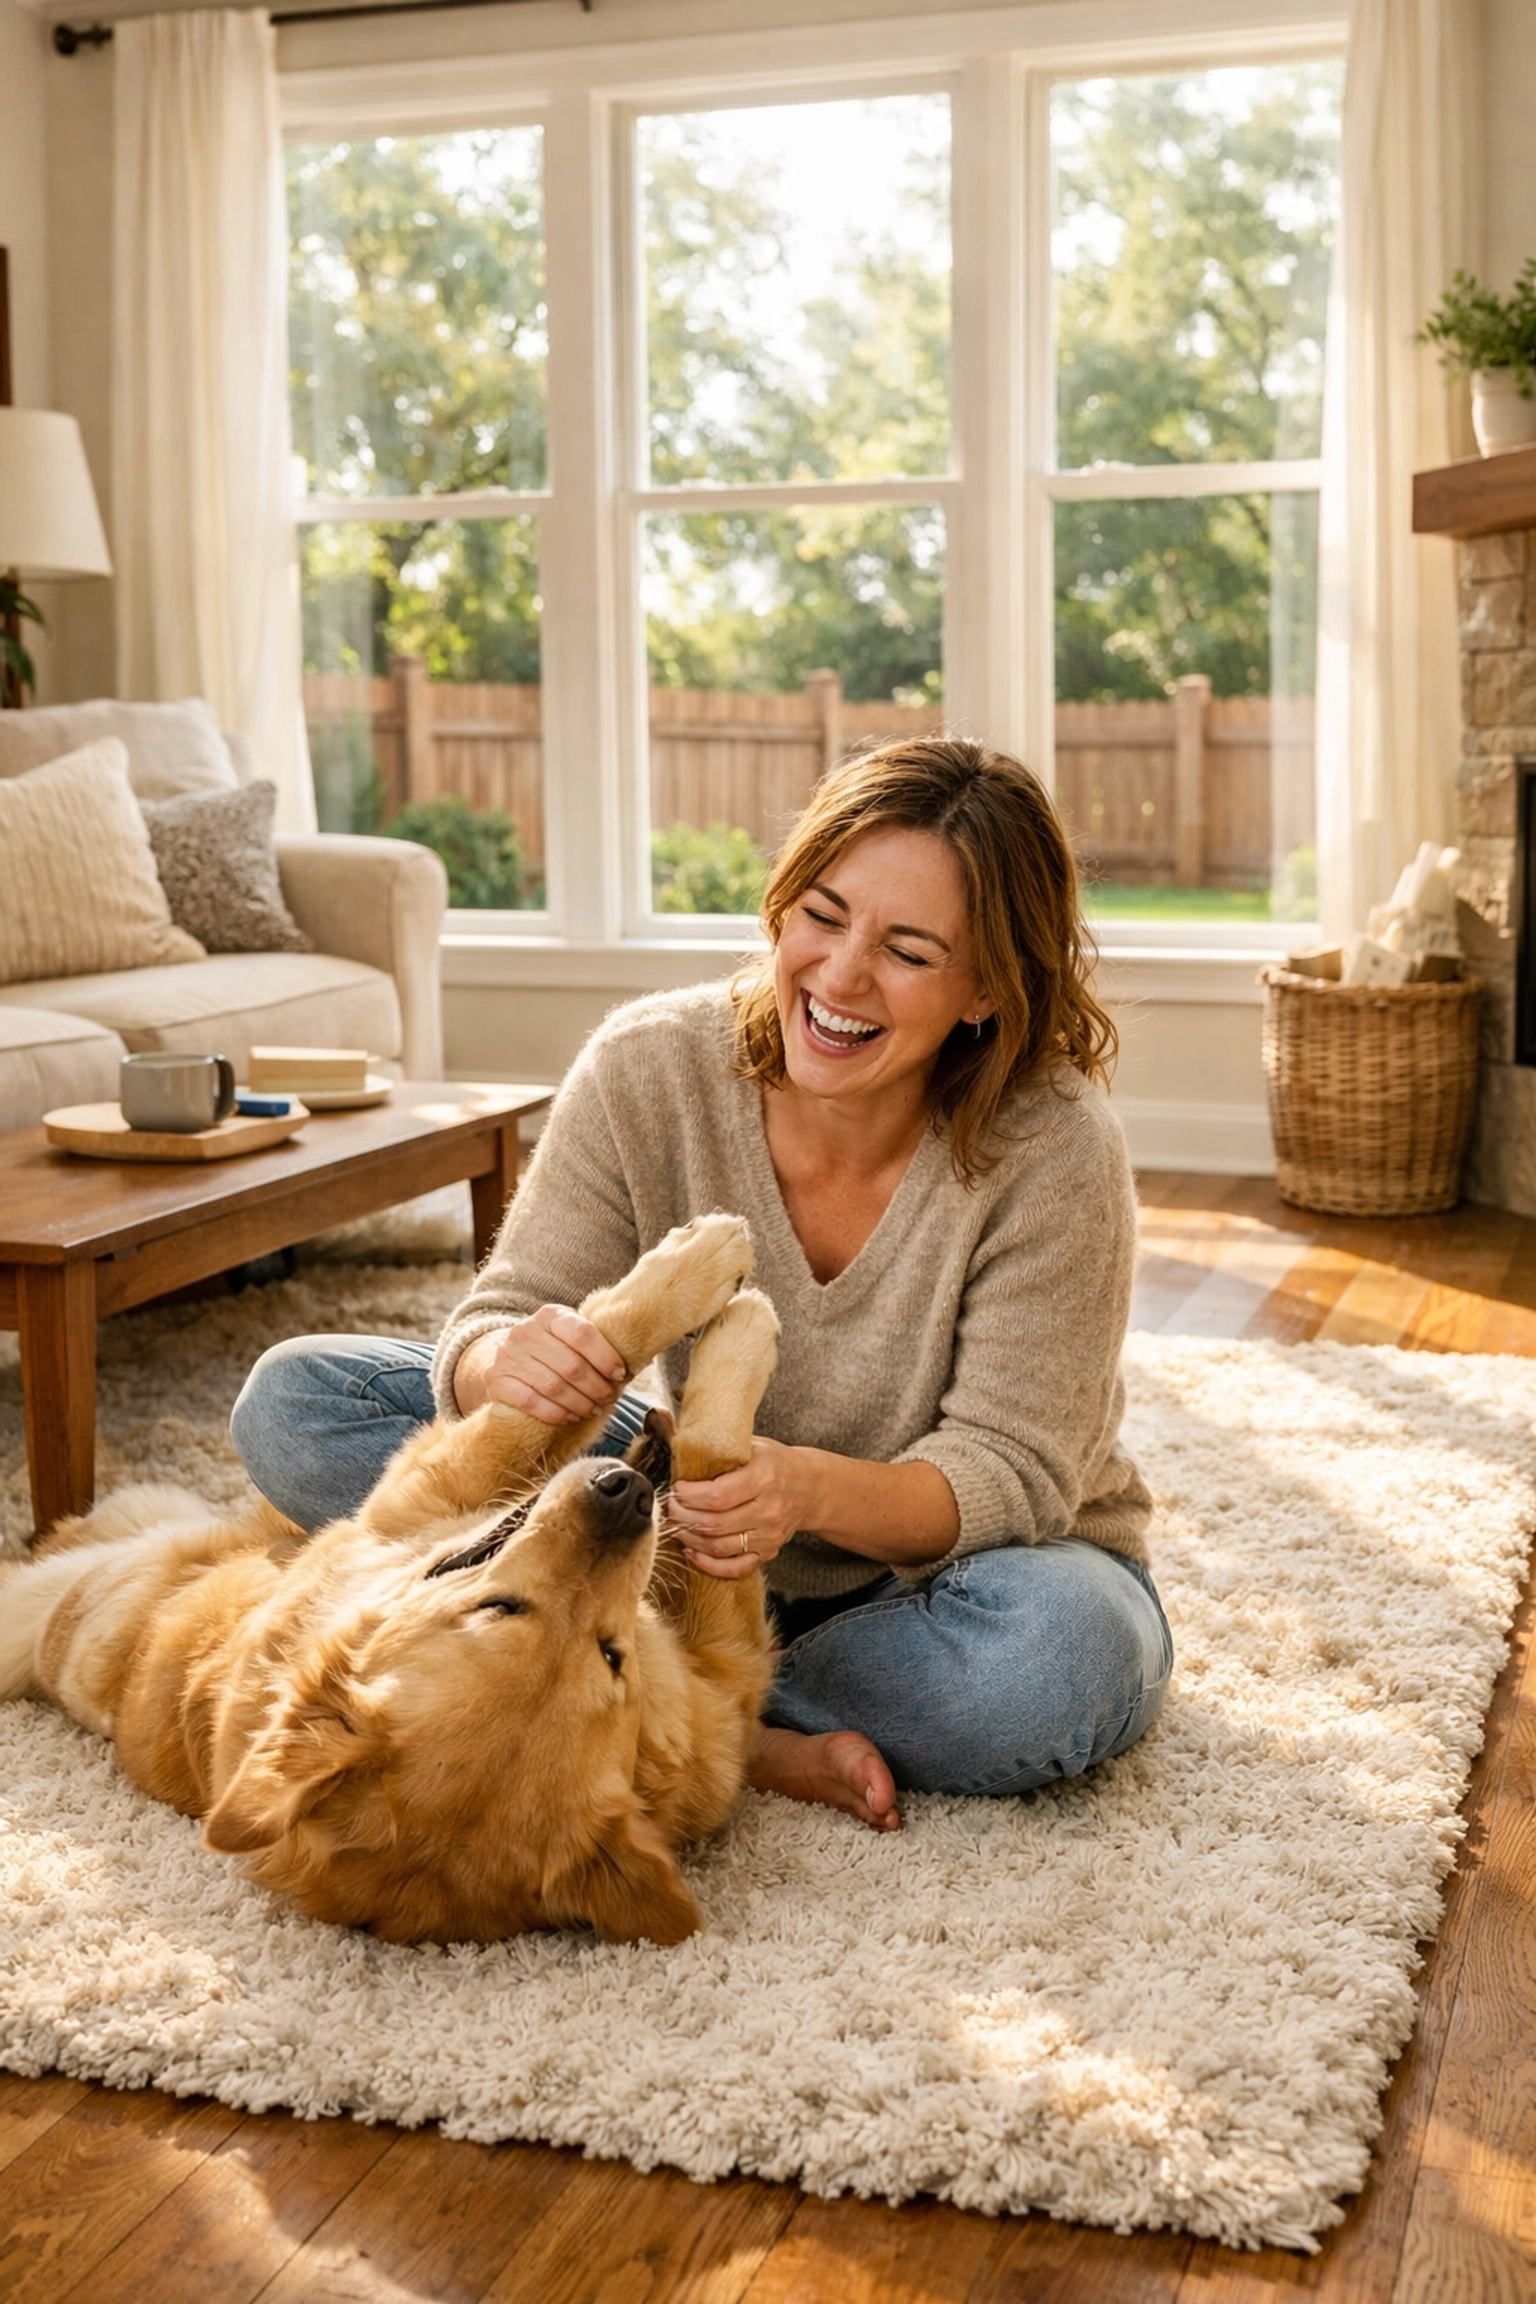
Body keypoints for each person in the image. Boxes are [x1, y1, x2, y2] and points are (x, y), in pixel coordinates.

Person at [231, 736, 1172, 1832]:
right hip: (674, 1535)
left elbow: (1011, 1470)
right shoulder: (652, 1065)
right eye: (822, 915)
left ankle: (678, 1699)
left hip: (951, 1574)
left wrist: (802, 1492)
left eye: (908, 951)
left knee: (1061, 1661)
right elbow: (492, 1321)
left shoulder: (1054, 1146)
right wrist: (510, 1361)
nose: (841, 976)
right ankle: (731, 1724)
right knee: (298, 1402)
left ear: (984, 991)